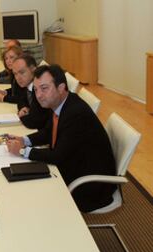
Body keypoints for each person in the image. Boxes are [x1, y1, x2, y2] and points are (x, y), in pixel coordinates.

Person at [6, 65, 116, 212]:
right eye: (36, 89)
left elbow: (57, 156)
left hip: (90, 186)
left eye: (44, 88)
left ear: (61, 87)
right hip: (74, 167)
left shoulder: (75, 114)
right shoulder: (63, 103)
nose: (38, 95)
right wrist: (24, 140)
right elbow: (47, 132)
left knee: (28, 193)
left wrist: (22, 151)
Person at [12, 55, 51, 129]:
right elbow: (20, 100)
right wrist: (23, 108)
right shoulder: (27, 84)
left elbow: (34, 123)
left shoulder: (40, 90)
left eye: (22, 72)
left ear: (33, 69)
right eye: (15, 74)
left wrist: (21, 116)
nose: (18, 78)